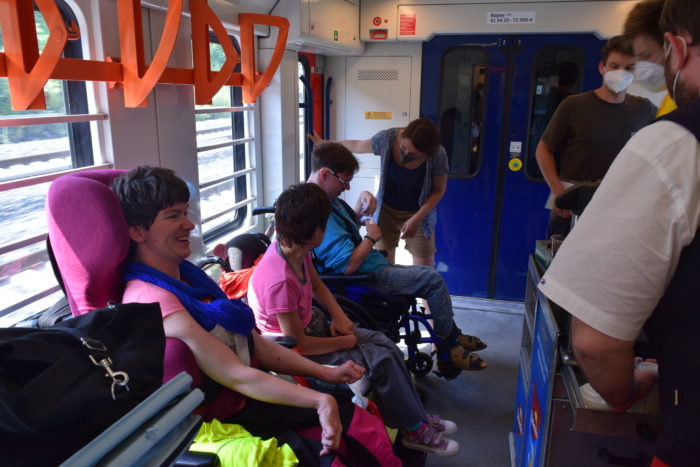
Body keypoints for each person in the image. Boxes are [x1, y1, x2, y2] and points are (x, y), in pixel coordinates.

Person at [112, 166, 375, 462]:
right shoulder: (154, 301)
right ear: (137, 231)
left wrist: (328, 373)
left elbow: (255, 345)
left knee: (354, 417)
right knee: (340, 438)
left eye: (185, 212)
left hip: (247, 398)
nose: (189, 224)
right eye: (173, 216)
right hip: (224, 422)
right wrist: (320, 401)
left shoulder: (190, 277)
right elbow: (234, 374)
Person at [538, 0, 700, 464]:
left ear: (676, 48)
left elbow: (595, 341)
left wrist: (624, 390)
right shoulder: (577, 107)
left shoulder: (672, 141)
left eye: (647, 60)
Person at [248, 182, 460, 456]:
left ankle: (415, 415)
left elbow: (318, 285)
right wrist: (345, 341)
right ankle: (413, 430)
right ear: (314, 232)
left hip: (316, 326)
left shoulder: (296, 251)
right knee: (380, 360)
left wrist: (338, 316)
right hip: (296, 352)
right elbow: (298, 344)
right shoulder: (279, 281)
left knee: (384, 343)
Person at [307, 142, 487, 372]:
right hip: (363, 279)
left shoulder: (327, 201)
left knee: (427, 275)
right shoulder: (318, 210)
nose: (347, 187)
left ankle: (451, 335)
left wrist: (360, 205)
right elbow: (348, 266)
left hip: (371, 267)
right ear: (325, 174)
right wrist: (371, 238)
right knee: (431, 279)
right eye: (344, 181)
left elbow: (343, 230)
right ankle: (450, 347)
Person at [535, 36, 657, 237]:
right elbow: (543, 149)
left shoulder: (645, 109)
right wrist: (558, 193)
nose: (621, 73)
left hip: (618, 204)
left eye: (628, 68)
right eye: (614, 66)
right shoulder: (574, 105)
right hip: (572, 201)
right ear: (602, 68)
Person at [309, 117, 447, 268]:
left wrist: (416, 218)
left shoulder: (438, 154)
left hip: (418, 213)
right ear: (402, 135)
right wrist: (324, 144)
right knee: (383, 265)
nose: (406, 154)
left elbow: (439, 190)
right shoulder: (388, 138)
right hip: (386, 210)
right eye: (403, 147)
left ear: (426, 154)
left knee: (425, 270)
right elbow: (358, 145)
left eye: (413, 154)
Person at [624, 0, 677, 116]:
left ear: (673, 46)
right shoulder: (672, 98)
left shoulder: (689, 101)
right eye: (637, 59)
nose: (639, 68)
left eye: (646, 56)